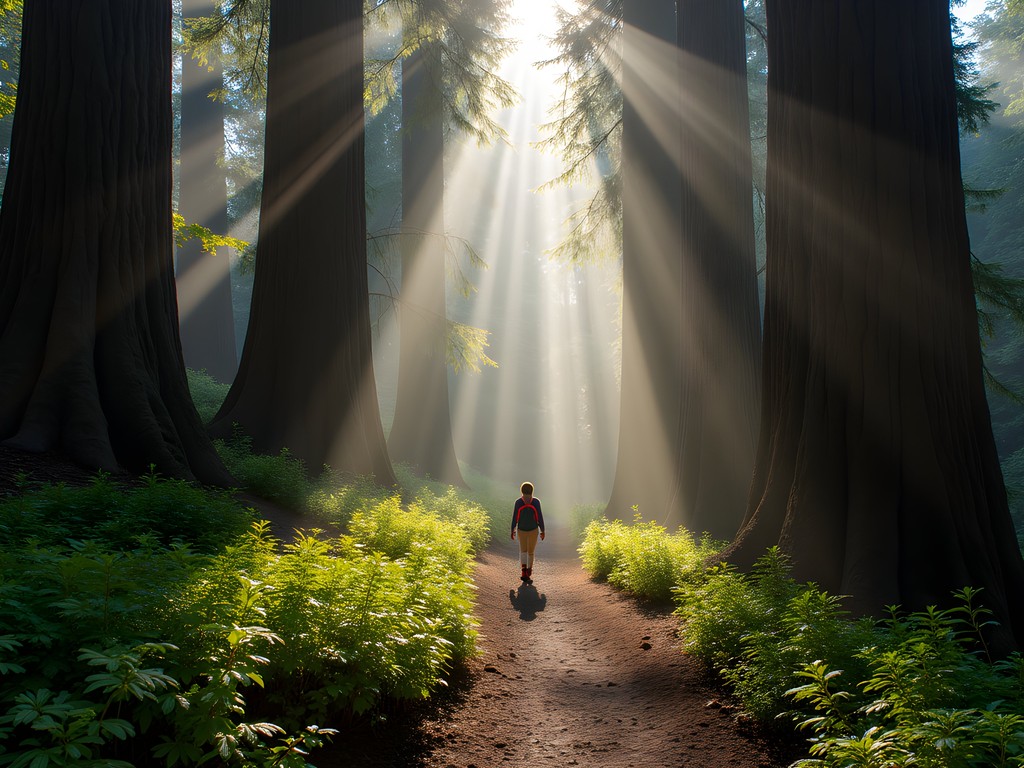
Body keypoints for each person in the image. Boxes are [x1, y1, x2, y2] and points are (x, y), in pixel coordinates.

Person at [510, 481, 545, 584]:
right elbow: (540, 517)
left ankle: (523, 571)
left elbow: (515, 517)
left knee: (523, 551)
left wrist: (512, 530)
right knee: (531, 552)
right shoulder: (536, 502)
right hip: (533, 530)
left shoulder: (518, 502)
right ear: (532, 491)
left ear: (521, 490)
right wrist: (543, 530)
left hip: (521, 530)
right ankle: (529, 569)